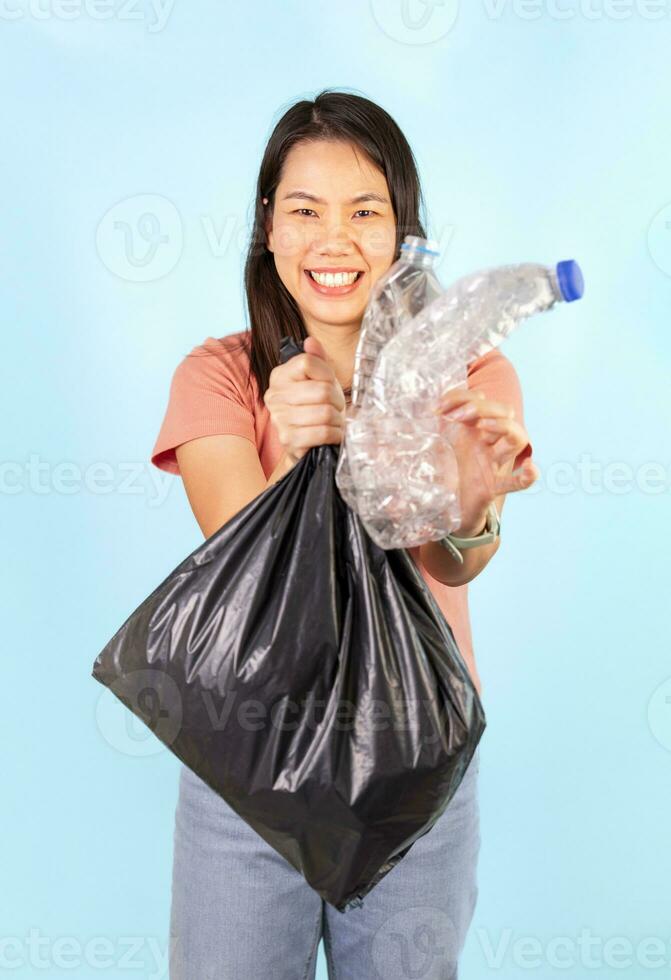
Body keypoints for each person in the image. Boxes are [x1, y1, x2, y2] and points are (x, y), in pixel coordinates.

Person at [150, 89, 538, 980]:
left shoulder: (470, 373)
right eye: (305, 211)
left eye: (365, 211)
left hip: (412, 767)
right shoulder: (218, 379)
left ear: (403, 231)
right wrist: (295, 441)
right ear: (269, 230)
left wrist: (471, 505)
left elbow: (450, 557)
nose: (334, 239)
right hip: (246, 766)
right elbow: (254, 586)